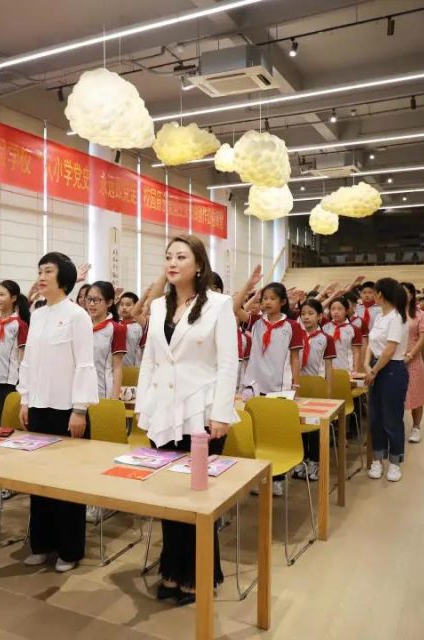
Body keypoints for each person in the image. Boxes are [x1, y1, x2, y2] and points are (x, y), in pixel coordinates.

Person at [136, 234, 238, 605]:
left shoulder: (219, 305)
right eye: (168, 257)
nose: (172, 263)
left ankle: (199, 575)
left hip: (201, 412)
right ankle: (171, 569)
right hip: (163, 412)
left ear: (198, 265)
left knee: (196, 499)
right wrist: (143, 407)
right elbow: (150, 360)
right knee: (170, 496)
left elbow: (228, 363)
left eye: (181, 256)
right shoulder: (159, 306)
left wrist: (221, 413)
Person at [17, 252, 98, 573]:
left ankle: (69, 549)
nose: (41, 276)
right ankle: (42, 544)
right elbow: (28, 361)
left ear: (63, 277)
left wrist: (80, 409)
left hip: (67, 411)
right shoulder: (38, 314)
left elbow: (85, 364)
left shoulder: (77, 315)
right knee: (39, 481)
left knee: (67, 482)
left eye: (48, 271)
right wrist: (25, 399)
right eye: (39, 271)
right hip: (38, 407)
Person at [241, 282, 304, 496]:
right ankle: (260, 476)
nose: (267, 302)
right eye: (264, 298)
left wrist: (296, 385)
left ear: (283, 301)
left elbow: (295, 358)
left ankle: (277, 479)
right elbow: (234, 308)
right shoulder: (255, 322)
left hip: (280, 387)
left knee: (275, 434)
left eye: (272, 298)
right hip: (256, 385)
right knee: (257, 433)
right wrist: (251, 290)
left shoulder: (292, 326)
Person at [364, 277, 410, 482]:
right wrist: (367, 365)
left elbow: (390, 350)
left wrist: (373, 371)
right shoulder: (379, 316)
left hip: (392, 370)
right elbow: (371, 343)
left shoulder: (397, 318)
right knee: (376, 418)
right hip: (376, 365)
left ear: (380, 294)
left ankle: (394, 462)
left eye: (374, 292)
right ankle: (377, 460)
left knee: (392, 418)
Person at [295, 298, 336, 481]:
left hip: (317, 387)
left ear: (320, 316)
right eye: (303, 314)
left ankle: (315, 461)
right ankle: (301, 459)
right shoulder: (296, 336)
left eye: (310, 313)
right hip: (298, 386)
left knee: (314, 428)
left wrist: (328, 392)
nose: (306, 317)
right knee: (299, 425)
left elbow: (329, 368)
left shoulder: (326, 339)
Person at [0, 279, 30, 426]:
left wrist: (23, 383)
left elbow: (23, 358)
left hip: (10, 382)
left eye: (2, 295)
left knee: (6, 424)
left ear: (14, 298)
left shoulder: (20, 325)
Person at [401, 282, 424, 444]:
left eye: (406, 292)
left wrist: (410, 355)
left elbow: (422, 338)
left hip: (413, 359)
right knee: (396, 395)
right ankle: (396, 426)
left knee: (416, 394)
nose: (402, 295)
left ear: (412, 295)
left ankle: (416, 427)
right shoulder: (393, 313)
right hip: (394, 358)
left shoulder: (419, 315)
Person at [86, 281, 127, 401]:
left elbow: (117, 367)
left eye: (96, 300)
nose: (91, 304)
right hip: (80, 392)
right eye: (89, 299)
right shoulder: (81, 326)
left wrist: (114, 399)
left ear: (109, 302)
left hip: (103, 393)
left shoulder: (116, 329)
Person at [323, 297, 364, 373]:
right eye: (333, 309)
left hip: (347, 370)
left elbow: (356, 352)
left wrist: (355, 371)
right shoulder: (325, 327)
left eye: (339, 309)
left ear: (346, 311)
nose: (336, 312)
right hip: (327, 370)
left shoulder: (354, 329)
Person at [118, 292, 143, 368]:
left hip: (133, 368)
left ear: (136, 306)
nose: (124, 307)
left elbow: (140, 351)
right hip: (115, 369)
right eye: (121, 304)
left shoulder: (139, 327)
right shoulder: (115, 325)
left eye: (128, 305)